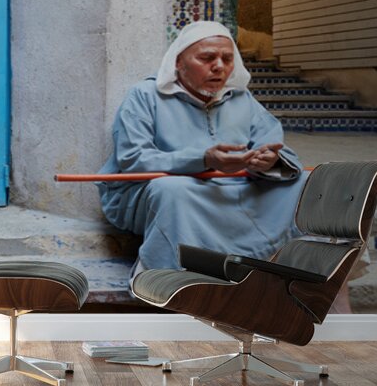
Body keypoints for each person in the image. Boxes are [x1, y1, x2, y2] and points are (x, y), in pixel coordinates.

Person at [97, 20, 327, 304]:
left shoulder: (243, 100)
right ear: (179, 63)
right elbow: (134, 159)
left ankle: (312, 287)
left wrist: (269, 162)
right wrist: (203, 159)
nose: (218, 66)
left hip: (234, 189)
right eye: (207, 58)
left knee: (307, 184)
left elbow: (282, 153)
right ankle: (175, 290)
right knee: (172, 190)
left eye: (227, 59)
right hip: (166, 193)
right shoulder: (144, 97)